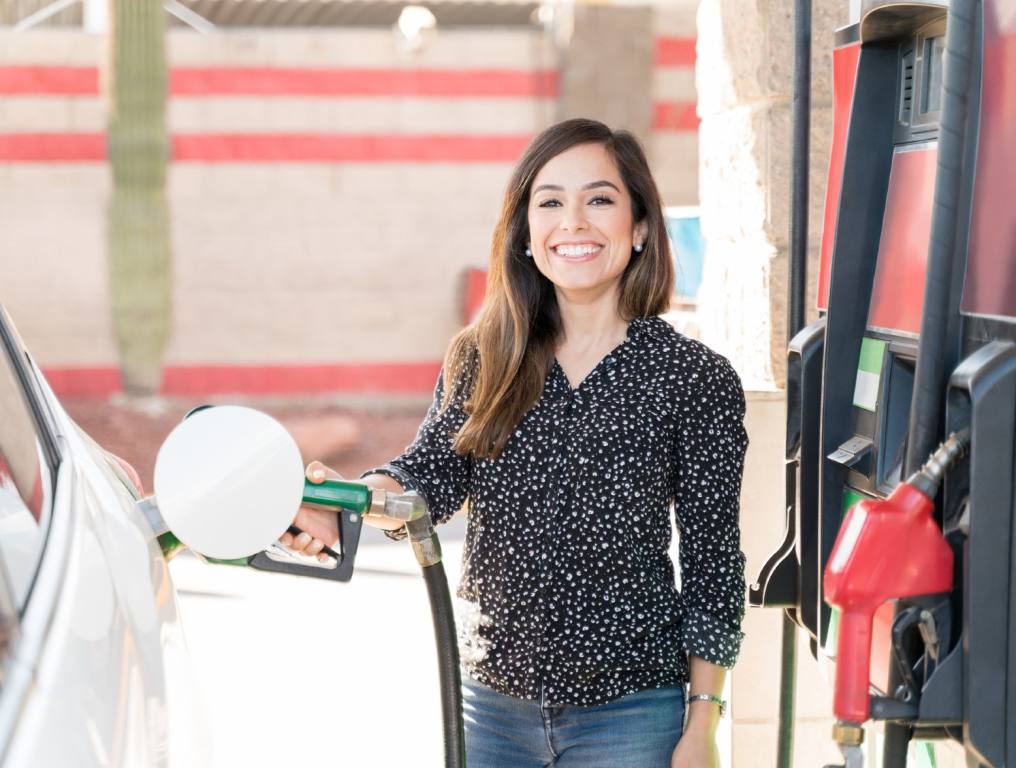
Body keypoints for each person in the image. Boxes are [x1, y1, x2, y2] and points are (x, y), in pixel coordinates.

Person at [283, 118, 748, 768]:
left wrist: (705, 722)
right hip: (491, 711)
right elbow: (429, 474)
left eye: (600, 199)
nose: (574, 222)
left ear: (640, 226)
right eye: (550, 201)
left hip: (633, 714)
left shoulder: (692, 378)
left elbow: (713, 563)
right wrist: (342, 504)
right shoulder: (484, 355)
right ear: (527, 233)